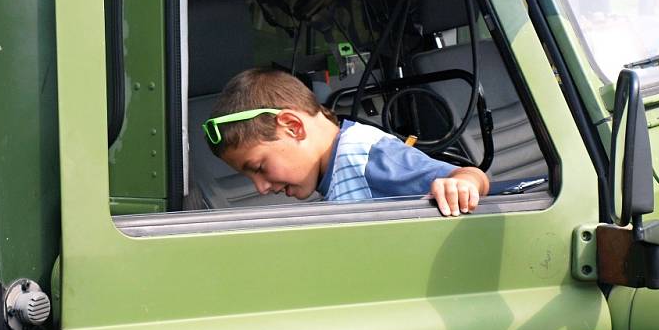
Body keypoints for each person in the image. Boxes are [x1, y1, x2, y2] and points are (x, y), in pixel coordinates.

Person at [204, 68, 489, 216]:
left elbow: (470, 176)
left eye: (259, 167)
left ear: (293, 127)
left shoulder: (365, 157)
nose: (261, 187)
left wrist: (462, 184)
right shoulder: (336, 168)